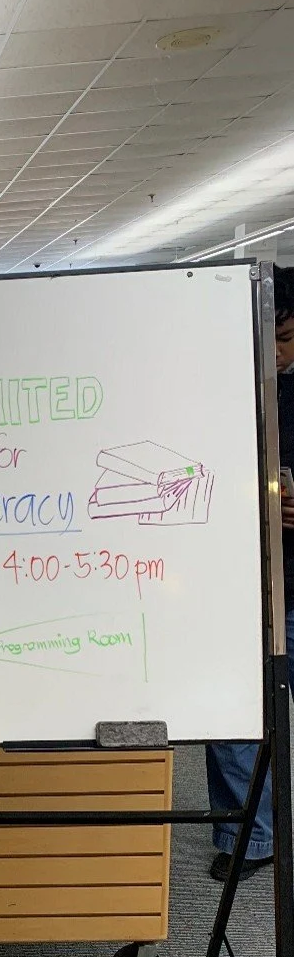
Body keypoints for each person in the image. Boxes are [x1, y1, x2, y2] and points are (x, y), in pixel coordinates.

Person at [206, 264, 294, 880]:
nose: (275, 350)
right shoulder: (222, 382)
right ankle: (249, 839)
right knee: (233, 717)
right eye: (265, 335)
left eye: (285, 335)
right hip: (238, 582)